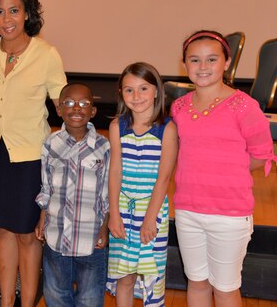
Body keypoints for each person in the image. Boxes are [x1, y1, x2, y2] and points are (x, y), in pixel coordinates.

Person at [0, 0, 67, 306]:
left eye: (14, 10)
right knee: (2, 230)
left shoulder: (46, 54)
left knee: (28, 234)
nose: (7, 19)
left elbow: (63, 103)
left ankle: (27, 303)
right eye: (0, 12)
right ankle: (6, 301)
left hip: (31, 156)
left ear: (27, 13)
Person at [171, 30, 276, 307]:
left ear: (226, 63)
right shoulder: (179, 107)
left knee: (226, 288)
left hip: (229, 214)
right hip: (188, 210)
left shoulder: (244, 106)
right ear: (185, 64)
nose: (202, 67)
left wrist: (228, 173)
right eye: (194, 60)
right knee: (196, 282)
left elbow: (260, 155)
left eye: (211, 59)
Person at [106, 62, 178, 307]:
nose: (136, 97)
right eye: (129, 90)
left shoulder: (167, 129)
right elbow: (114, 171)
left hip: (152, 211)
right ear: (121, 93)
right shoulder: (117, 126)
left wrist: (150, 218)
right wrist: (113, 213)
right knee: (124, 276)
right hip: (123, 211)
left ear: (157, 91)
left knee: (152, 275)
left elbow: (164, 178)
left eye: (143, 89)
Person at [35, 82, 110, 307]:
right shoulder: (51, 144)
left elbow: (107, 191)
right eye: (68, 102)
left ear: (93, 111)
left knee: (90, 296)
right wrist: (42, 218)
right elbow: (46, 186)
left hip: (90, 236)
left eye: (83, 104)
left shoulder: (103, 146)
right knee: (56, 293)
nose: (76, 108)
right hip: (57, 234)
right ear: (59, 110)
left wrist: (104, 229)